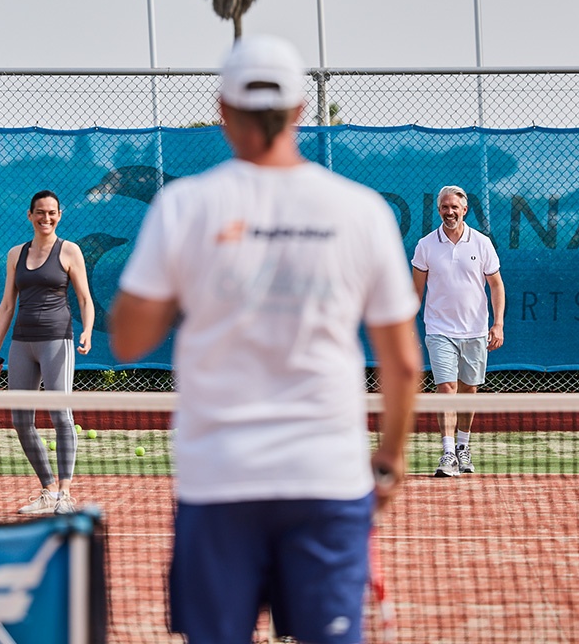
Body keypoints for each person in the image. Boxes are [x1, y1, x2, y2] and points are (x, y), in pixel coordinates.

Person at [109, 34, 422, 644]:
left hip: (218, 482)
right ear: (303, 110)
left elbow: (127, 339)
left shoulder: (185, 207)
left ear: (222, 110)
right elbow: (404, 365)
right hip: (328, 480)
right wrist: (387, 462)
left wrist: (196, 283)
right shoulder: (361, 211)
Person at [0, 190, 95, 515]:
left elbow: (85, 299)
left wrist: (87, 330)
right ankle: (47, 490)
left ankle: (65, 494)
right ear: (30, 215)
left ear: (59, 215)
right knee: (21, 420)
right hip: (22, 342)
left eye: (51, 213)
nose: (46, 218)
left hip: (57, 340)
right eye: (40, 213)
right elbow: (7, 305)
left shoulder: (70, 251)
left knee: (61, 416)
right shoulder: (15, 255)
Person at [411, 184, 505, 477]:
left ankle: (464, 447)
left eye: (454, 207)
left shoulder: (482, 243)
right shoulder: (425, 245)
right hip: (439, 329)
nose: (449, 212)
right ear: (438, 210)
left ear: (465, 210)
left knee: (468, 390)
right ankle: (448, 452)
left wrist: (498, 323)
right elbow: (415, 292)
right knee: (446, 389)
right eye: (444, 207)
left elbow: (496, 285)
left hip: (475, 330)